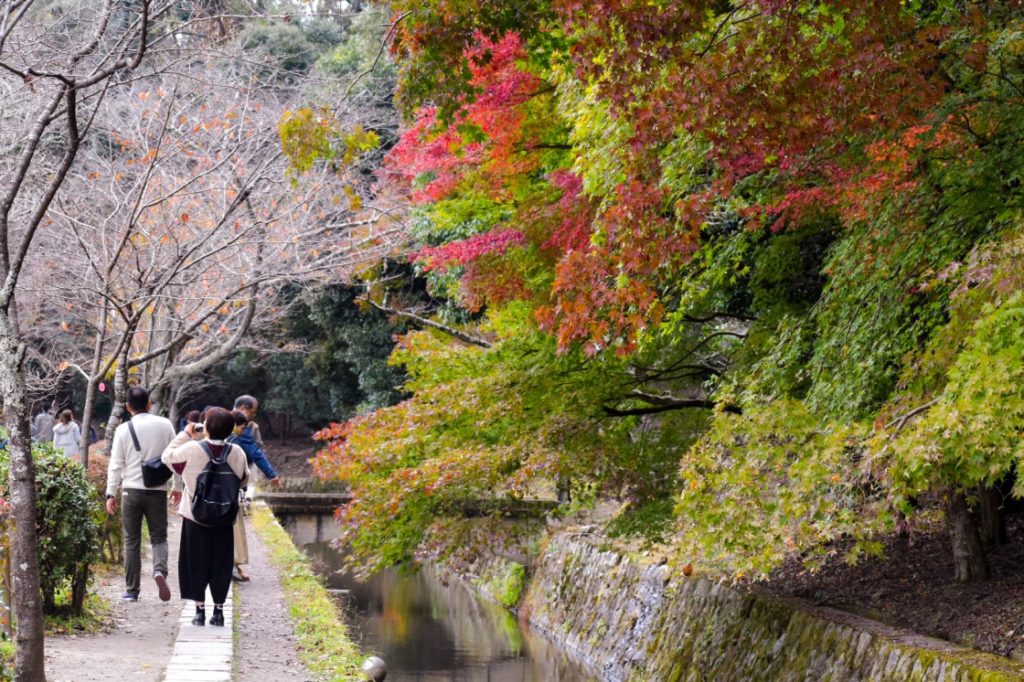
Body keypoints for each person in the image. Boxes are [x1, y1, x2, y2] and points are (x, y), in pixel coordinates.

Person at [162, 407, 248, 626]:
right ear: (230, 429)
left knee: (195, 563)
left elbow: (167, 457)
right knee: (221, 563)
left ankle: (199, 611)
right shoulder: (237, 453)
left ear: (206, 427)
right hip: (225, 517)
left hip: (195, 517)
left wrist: (186, 434)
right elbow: (244, 479)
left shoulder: (191, 449)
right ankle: (219, 612)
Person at [105, 387, 177, 602]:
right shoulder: (165, 425)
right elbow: (176, 457)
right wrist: (179, 488)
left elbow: (116, 464)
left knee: (131, 540)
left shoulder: (123, 429)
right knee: (159, 537)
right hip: (157, 491)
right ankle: (159, 571)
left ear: (128, 407)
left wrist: (110, 493)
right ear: (149, 404)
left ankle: (131, 591)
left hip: (131, 490)